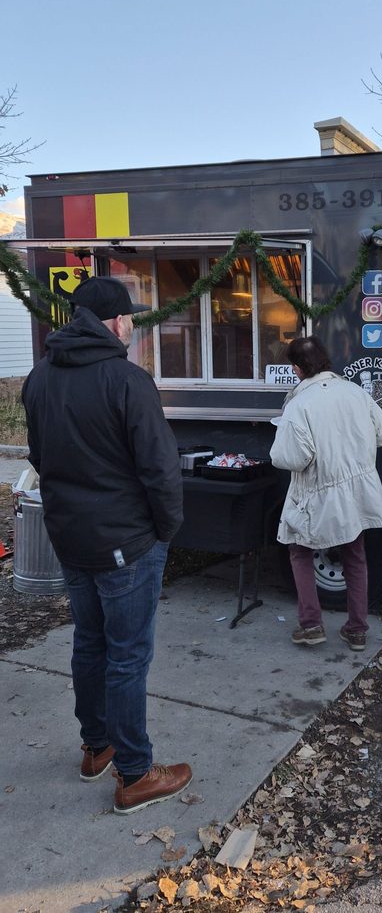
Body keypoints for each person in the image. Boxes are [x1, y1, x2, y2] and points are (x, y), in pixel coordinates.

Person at [22, 276, 192, 814]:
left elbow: (39, 457)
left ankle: (97, 748)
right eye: (130, 319)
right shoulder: (128, 380)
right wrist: (166, 530)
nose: (133, 326)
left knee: (91, 644)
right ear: (116, 322)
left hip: (71, 538)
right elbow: (161, 470)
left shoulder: (38, 378)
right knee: (127, 655)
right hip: (126, 543)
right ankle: (136, 774)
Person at [270, 335, 382, 651]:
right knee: (355, 555)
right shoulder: (356, 393)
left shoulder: (299, 404)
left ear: (296, 369)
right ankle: (357, 630)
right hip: (356, 491)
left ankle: (311, 626)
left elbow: (292, 458)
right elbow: (381, 432)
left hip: (315, 491)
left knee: (299, 551)